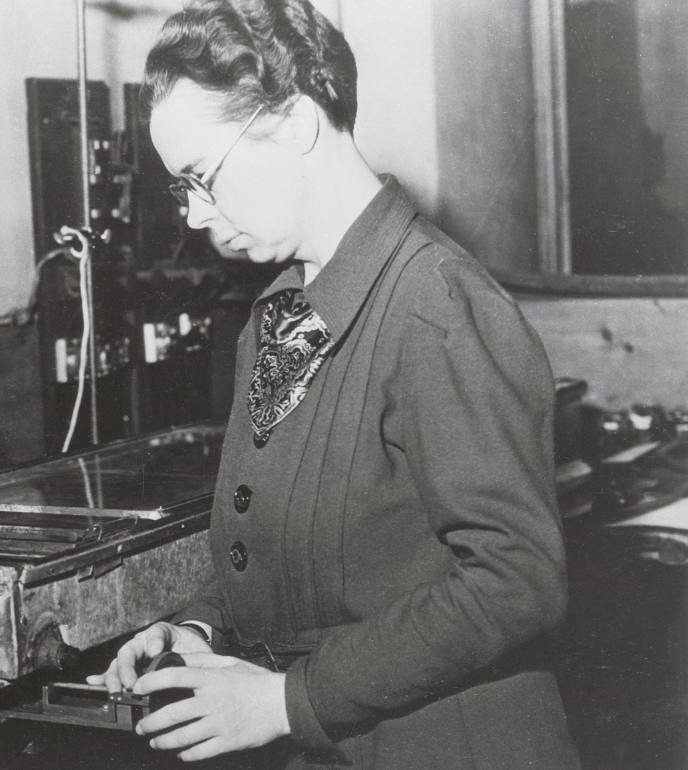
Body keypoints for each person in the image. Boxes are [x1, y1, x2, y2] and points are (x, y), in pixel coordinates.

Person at [87, 1, 582, 768]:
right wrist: (200, 628)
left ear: (295, 122)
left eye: (200, 178)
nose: (191, 213)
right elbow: (291, 540)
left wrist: (288, 702)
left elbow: (518, 580)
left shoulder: (435, 303)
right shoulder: (284, 309)